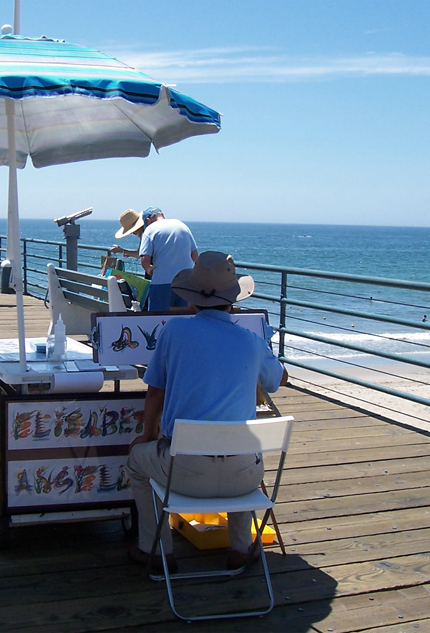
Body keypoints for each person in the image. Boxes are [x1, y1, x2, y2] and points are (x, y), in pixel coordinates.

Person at [126, 251, 285, 572]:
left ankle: (157, 551)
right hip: (243, 479)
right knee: (243, 445)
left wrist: (147, 435)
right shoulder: (252, 340)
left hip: (182, 475)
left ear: (192, 299)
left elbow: (155, 389)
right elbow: (278, 380)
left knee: (135, 463)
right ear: (233, 300)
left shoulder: (174, 332)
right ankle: (240, 550)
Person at [137, 207, 198, 312]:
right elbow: (195, 256)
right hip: (185, 282)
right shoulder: (182, 226)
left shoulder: (150, 230)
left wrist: (148, 269)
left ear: (148, 220)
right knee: (184, 318)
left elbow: (145, 259)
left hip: (162, 282)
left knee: (158, 320)